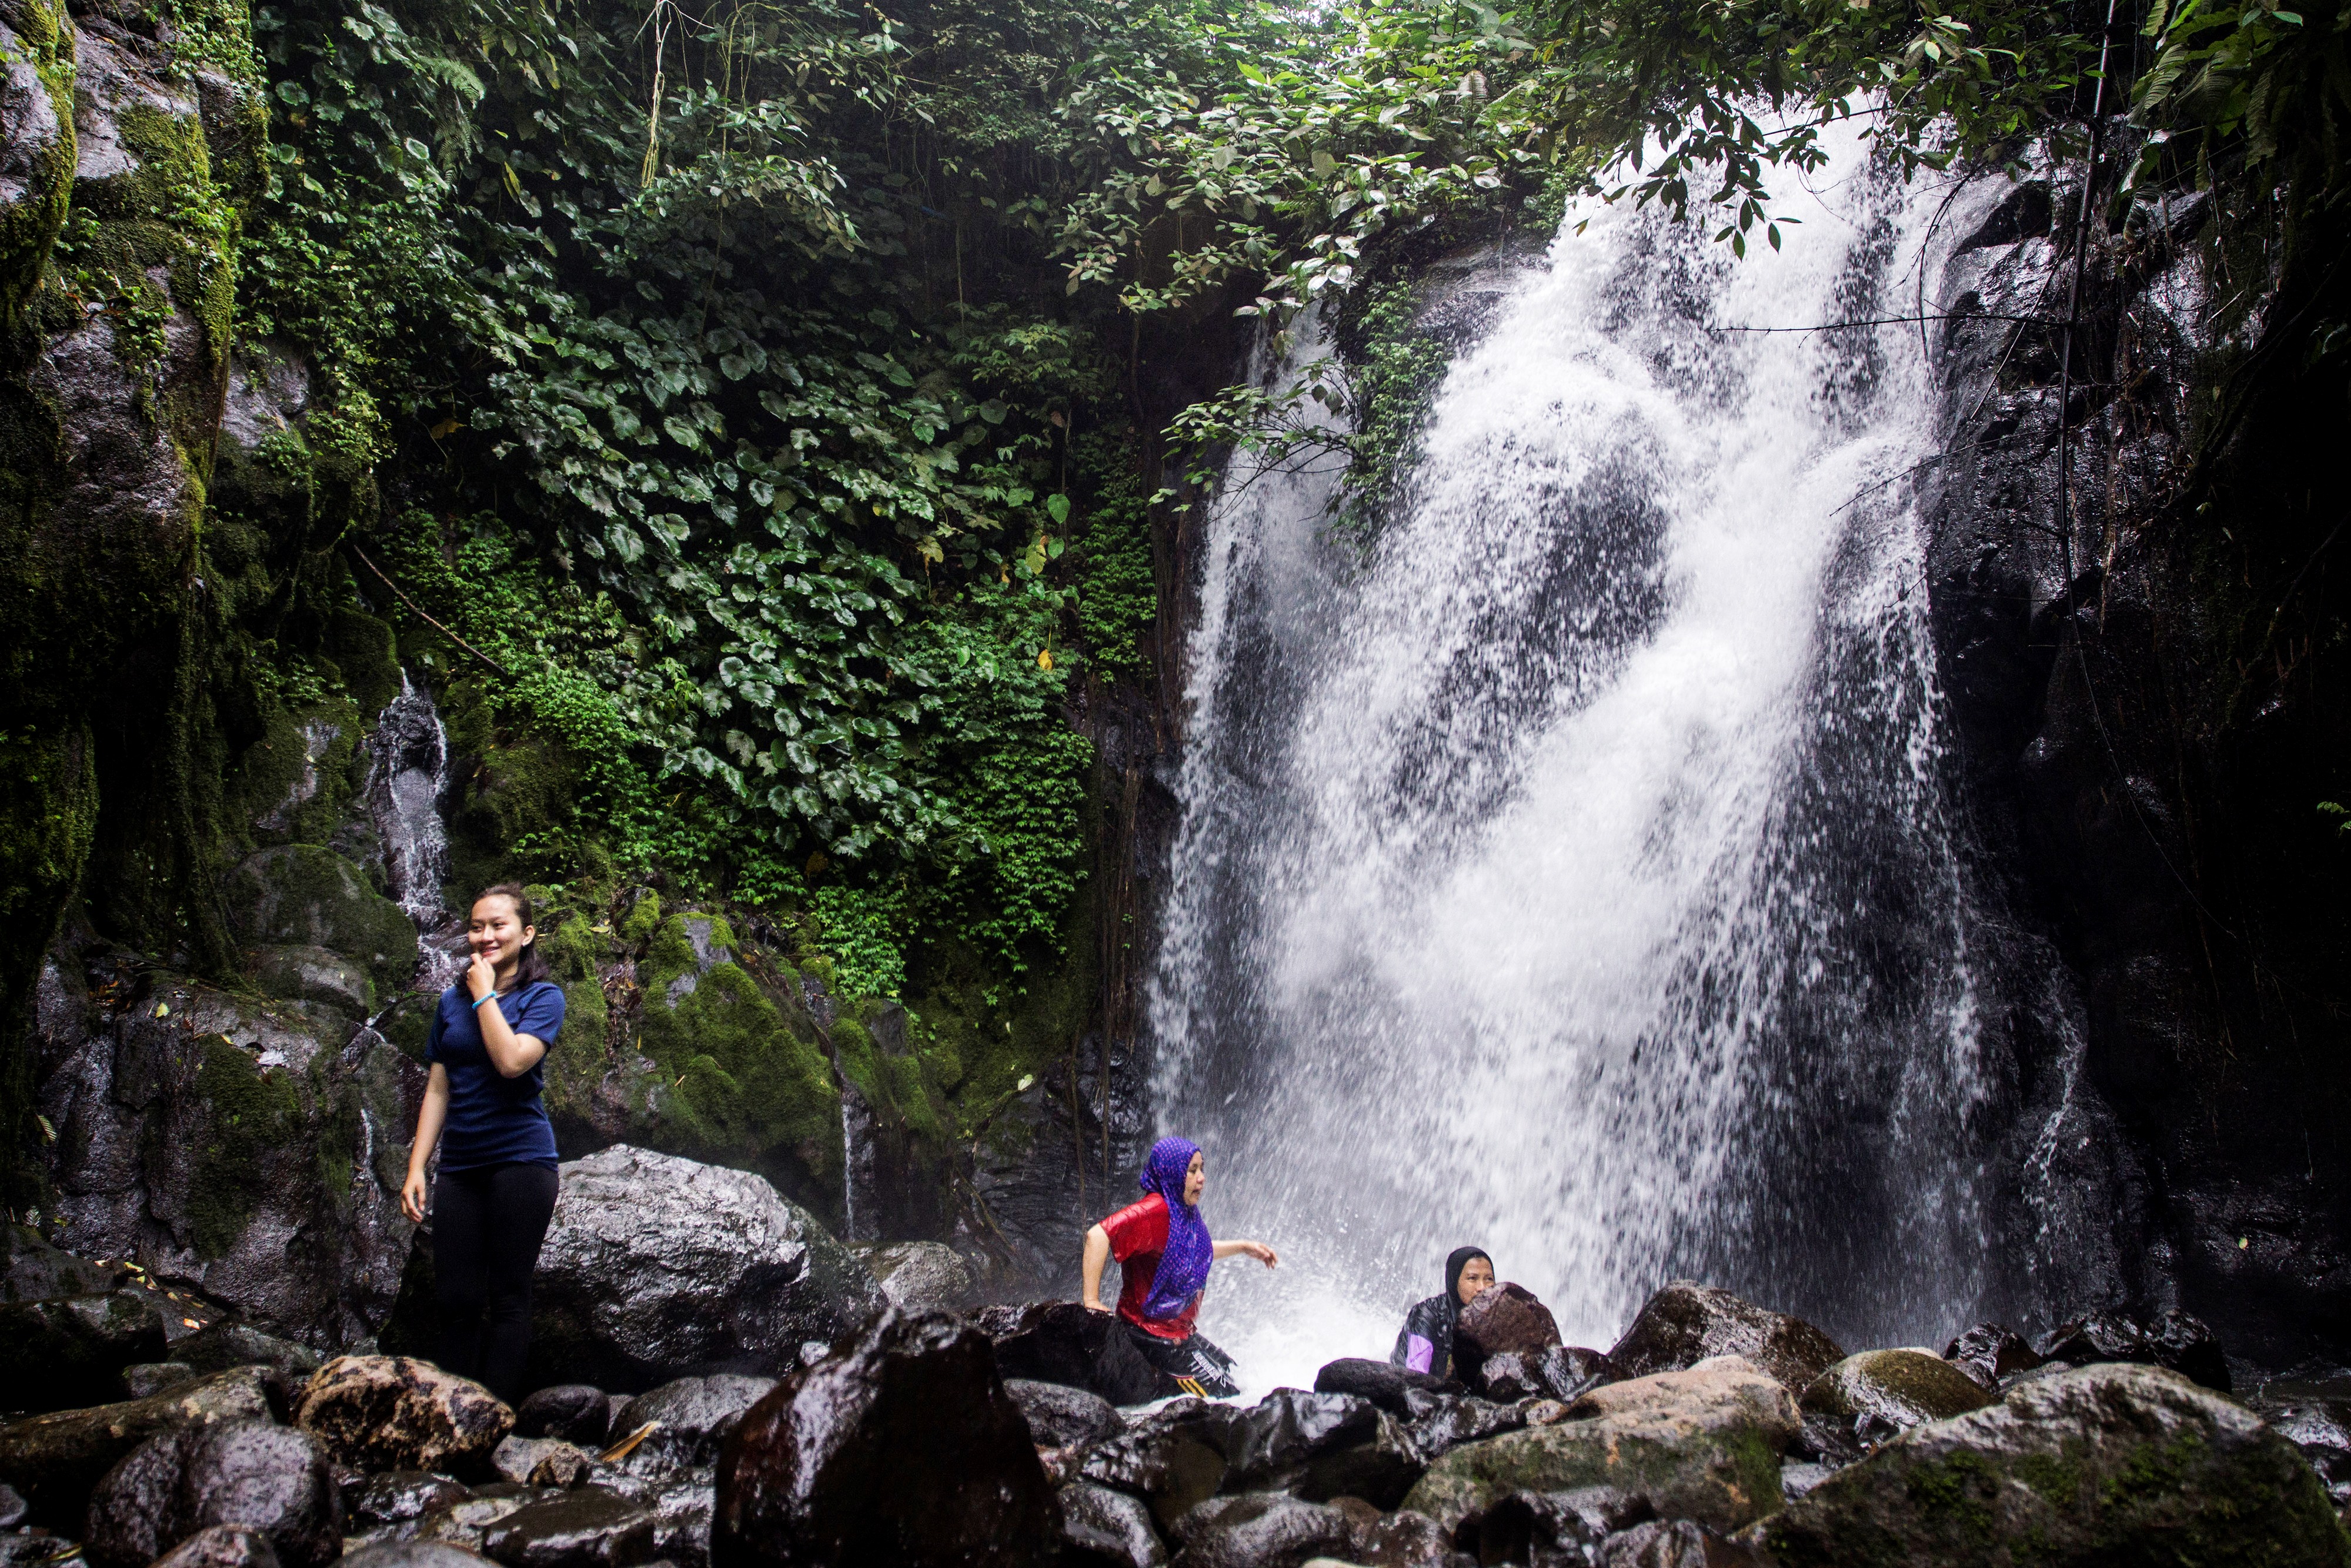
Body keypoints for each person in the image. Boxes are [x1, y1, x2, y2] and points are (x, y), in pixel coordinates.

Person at [400, 884, 567, 1401]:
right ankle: (454, 1414)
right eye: (477, 927)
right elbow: (438, 1087)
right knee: (456, 1300)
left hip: (522, 1160)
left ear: (526, 933)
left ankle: (497, 1420)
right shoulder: (450, 1001)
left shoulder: (544, 997)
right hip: (460, 1165)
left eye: (498, 925)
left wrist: (485, 994)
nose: (486, 935)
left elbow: (512, 1061)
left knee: (509, 1296)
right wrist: (417, 1166)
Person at [1081, 1136, 1278, 1398]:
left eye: (1202, 1169)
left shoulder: (1181, 1211)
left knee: (1233, 1374)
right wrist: (1091, 1301)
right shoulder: (1154, 1211)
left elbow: (1194, 1251)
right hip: (1152, 1336)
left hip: (1178, 1332)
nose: (1202, 1178)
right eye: (1192, 1170)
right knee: (1227, 1398)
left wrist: (1243, 1247)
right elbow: (1098, 1235)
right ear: (1172, 1173)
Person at [1390, 1246, 1495, 1377]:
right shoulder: (1427, 1315)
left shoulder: (1498, 1319)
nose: (1482, 1288)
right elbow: (1416, 1375)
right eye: (1472, 1278)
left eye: (1489, 1279)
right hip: (1406, 1384)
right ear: (1454, 1281)